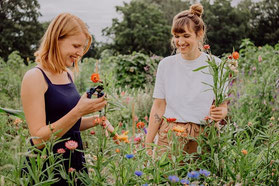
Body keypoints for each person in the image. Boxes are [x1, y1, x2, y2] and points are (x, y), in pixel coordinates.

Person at [21, 13, 114, 185]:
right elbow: (38, 140)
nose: (80, 53)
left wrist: (96, 119)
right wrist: (79, 110)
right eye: (76, 46)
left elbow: (68, 124)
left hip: (72, 161)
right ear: (56, 40)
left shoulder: (67, 74)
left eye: (82, 47)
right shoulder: (35, 77)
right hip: (46, 168)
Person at [145, 4, 228, 156]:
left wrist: (220, 113)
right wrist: (148, 143)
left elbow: (222, 106)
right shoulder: (166, 65)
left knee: (205, 179)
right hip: (170, 136)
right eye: (177, 36)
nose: (180, 42)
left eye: (186, 36)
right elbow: (158, 106)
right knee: (166, 179)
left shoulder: (216, 65)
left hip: (204, 136)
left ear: (200, 34)